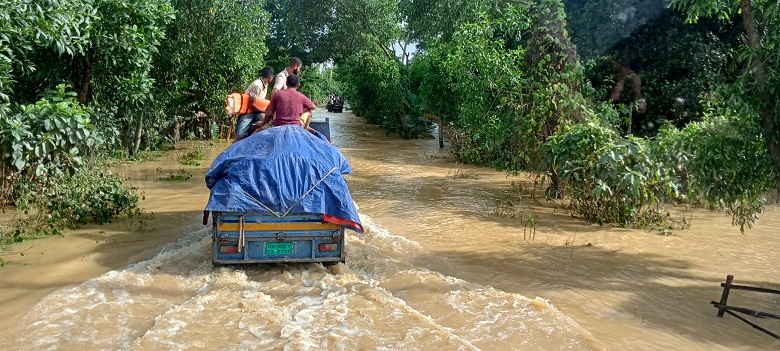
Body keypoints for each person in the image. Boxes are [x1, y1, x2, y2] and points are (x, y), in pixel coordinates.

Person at [234, 66, 274, 141]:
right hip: (248, 111)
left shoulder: (265, 85)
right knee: (240, 136)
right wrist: (264, 111)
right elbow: (251, 105)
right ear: (270, 76)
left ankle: (252, 132)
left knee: (264, 120)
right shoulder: (257, 85)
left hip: (257, 112)